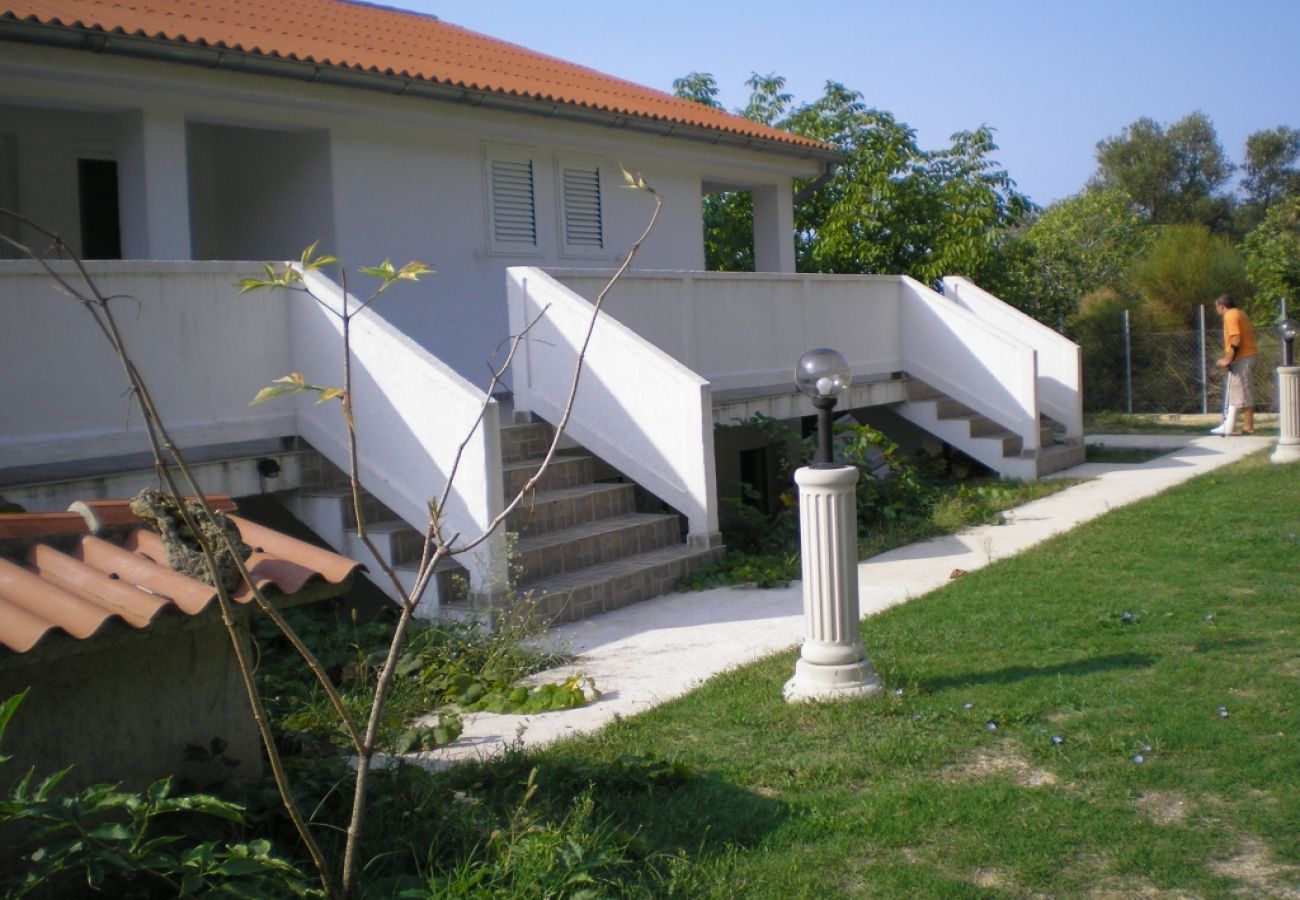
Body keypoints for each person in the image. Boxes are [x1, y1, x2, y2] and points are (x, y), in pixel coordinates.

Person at [1210, 295, 1258, 435]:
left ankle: (1248, 427)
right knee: (1237, 392)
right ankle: (1230, 425)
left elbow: (1236, 338)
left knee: (1243, 391)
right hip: (1248, 356)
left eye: (1216, 306)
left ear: (1222, 306)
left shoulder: (1230, 315)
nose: (1216, 309)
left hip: (1243, 357)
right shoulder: (1240, 313)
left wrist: (1228, 358)